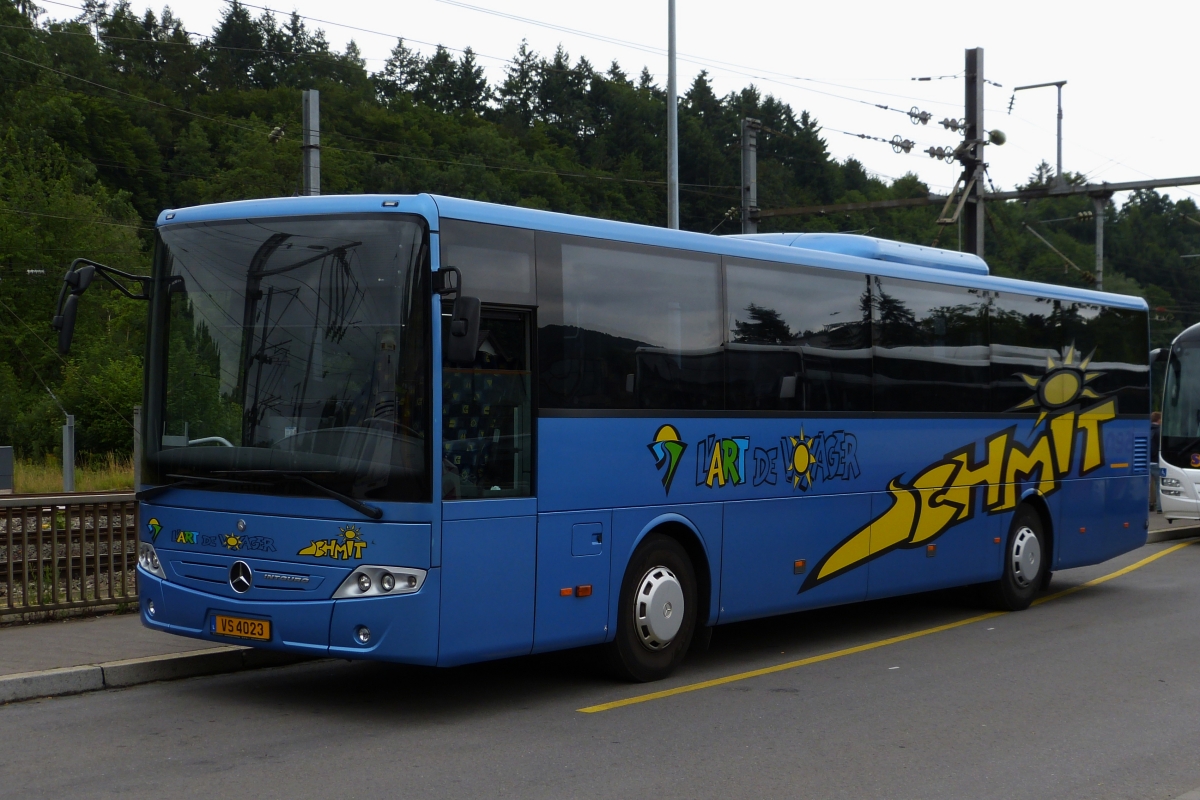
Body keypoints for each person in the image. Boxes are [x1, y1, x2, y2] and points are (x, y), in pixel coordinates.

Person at [1150, 411, 1162, 511]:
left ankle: (1149, 505)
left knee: (1147, 486)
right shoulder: (1160, 431)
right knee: (1159, 484)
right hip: (1157, 461)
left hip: (1146, 462)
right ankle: (1159, 507)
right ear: (1159, 420)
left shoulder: (1146, 429)